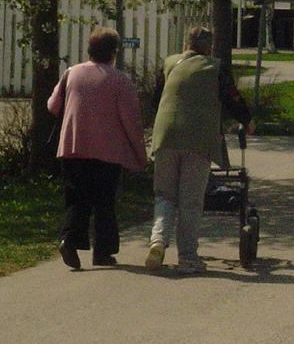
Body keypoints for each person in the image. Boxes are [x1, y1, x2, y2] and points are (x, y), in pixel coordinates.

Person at [146, 26, 255, 274]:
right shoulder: (215, 67)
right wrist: (248, 121)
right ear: (209, 47)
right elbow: (231, 98)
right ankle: (187, 257)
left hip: (165, 136)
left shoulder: (170, 63)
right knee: (190, 200)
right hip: (197, 140)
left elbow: (156, 100)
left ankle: (158, 241)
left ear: (186, 44)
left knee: (164, 195)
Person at [47, 27, 147, 269]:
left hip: (72, 145)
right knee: (104, 201)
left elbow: (52, 106)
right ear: (113, 53)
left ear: (89, 50)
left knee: (77, 198)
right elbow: (131, 121)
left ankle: (68, 239)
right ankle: (103, 251)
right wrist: (140, 155)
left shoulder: (71, 73)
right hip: (107, 150)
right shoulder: (120, 81)